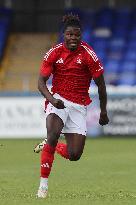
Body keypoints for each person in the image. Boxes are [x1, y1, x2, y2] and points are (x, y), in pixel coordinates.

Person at [36, 13, 109, 198]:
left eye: (77, 35)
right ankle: (43, 186)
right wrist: (52, 100)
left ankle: (49, 145)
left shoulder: (88, 54)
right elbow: (41, 82)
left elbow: (101, 84)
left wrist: (103, 111)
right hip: (58, 100)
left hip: (79, 105)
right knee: (52, 133)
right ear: (64, 34)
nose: (73, 38)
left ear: (81, 35)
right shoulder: (54, 52)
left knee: (74, 154)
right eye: (70, 35)